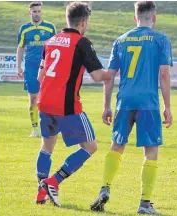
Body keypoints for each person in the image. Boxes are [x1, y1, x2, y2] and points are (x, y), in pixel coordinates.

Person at [90, 2, 173, 214]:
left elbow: (109, 77)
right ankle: (145, 204)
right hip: (148, 102)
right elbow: (164, 75)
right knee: (151, 150)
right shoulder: (161, 39)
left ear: (134, 18)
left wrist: (106, 106)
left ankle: (104, 187)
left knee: (117, 145)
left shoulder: (121, 40)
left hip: (124, 101)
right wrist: (168, 107)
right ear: (153, 18)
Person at [36, 2, 113, 207]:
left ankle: (40, 193)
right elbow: (97, 76)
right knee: (90, 146)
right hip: (67, 105)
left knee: (46, 147)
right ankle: (53, 181)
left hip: (44, 102)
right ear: (84, 22)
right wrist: (113, 72)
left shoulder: (51, 40)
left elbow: (40, 75)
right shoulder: (81, 42)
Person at [16, 1, 56, 137]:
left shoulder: (50, 28)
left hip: (47, 68)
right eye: (34, 11)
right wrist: (18, 66)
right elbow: (20, 47)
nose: (37, 14)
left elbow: (55, 48)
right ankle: (35, 129)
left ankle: (49, 127)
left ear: (42, 12)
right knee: (33, 99)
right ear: (30, 12)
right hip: (31, 68)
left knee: (48, 99)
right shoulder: (24, 29)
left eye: (39, 11)